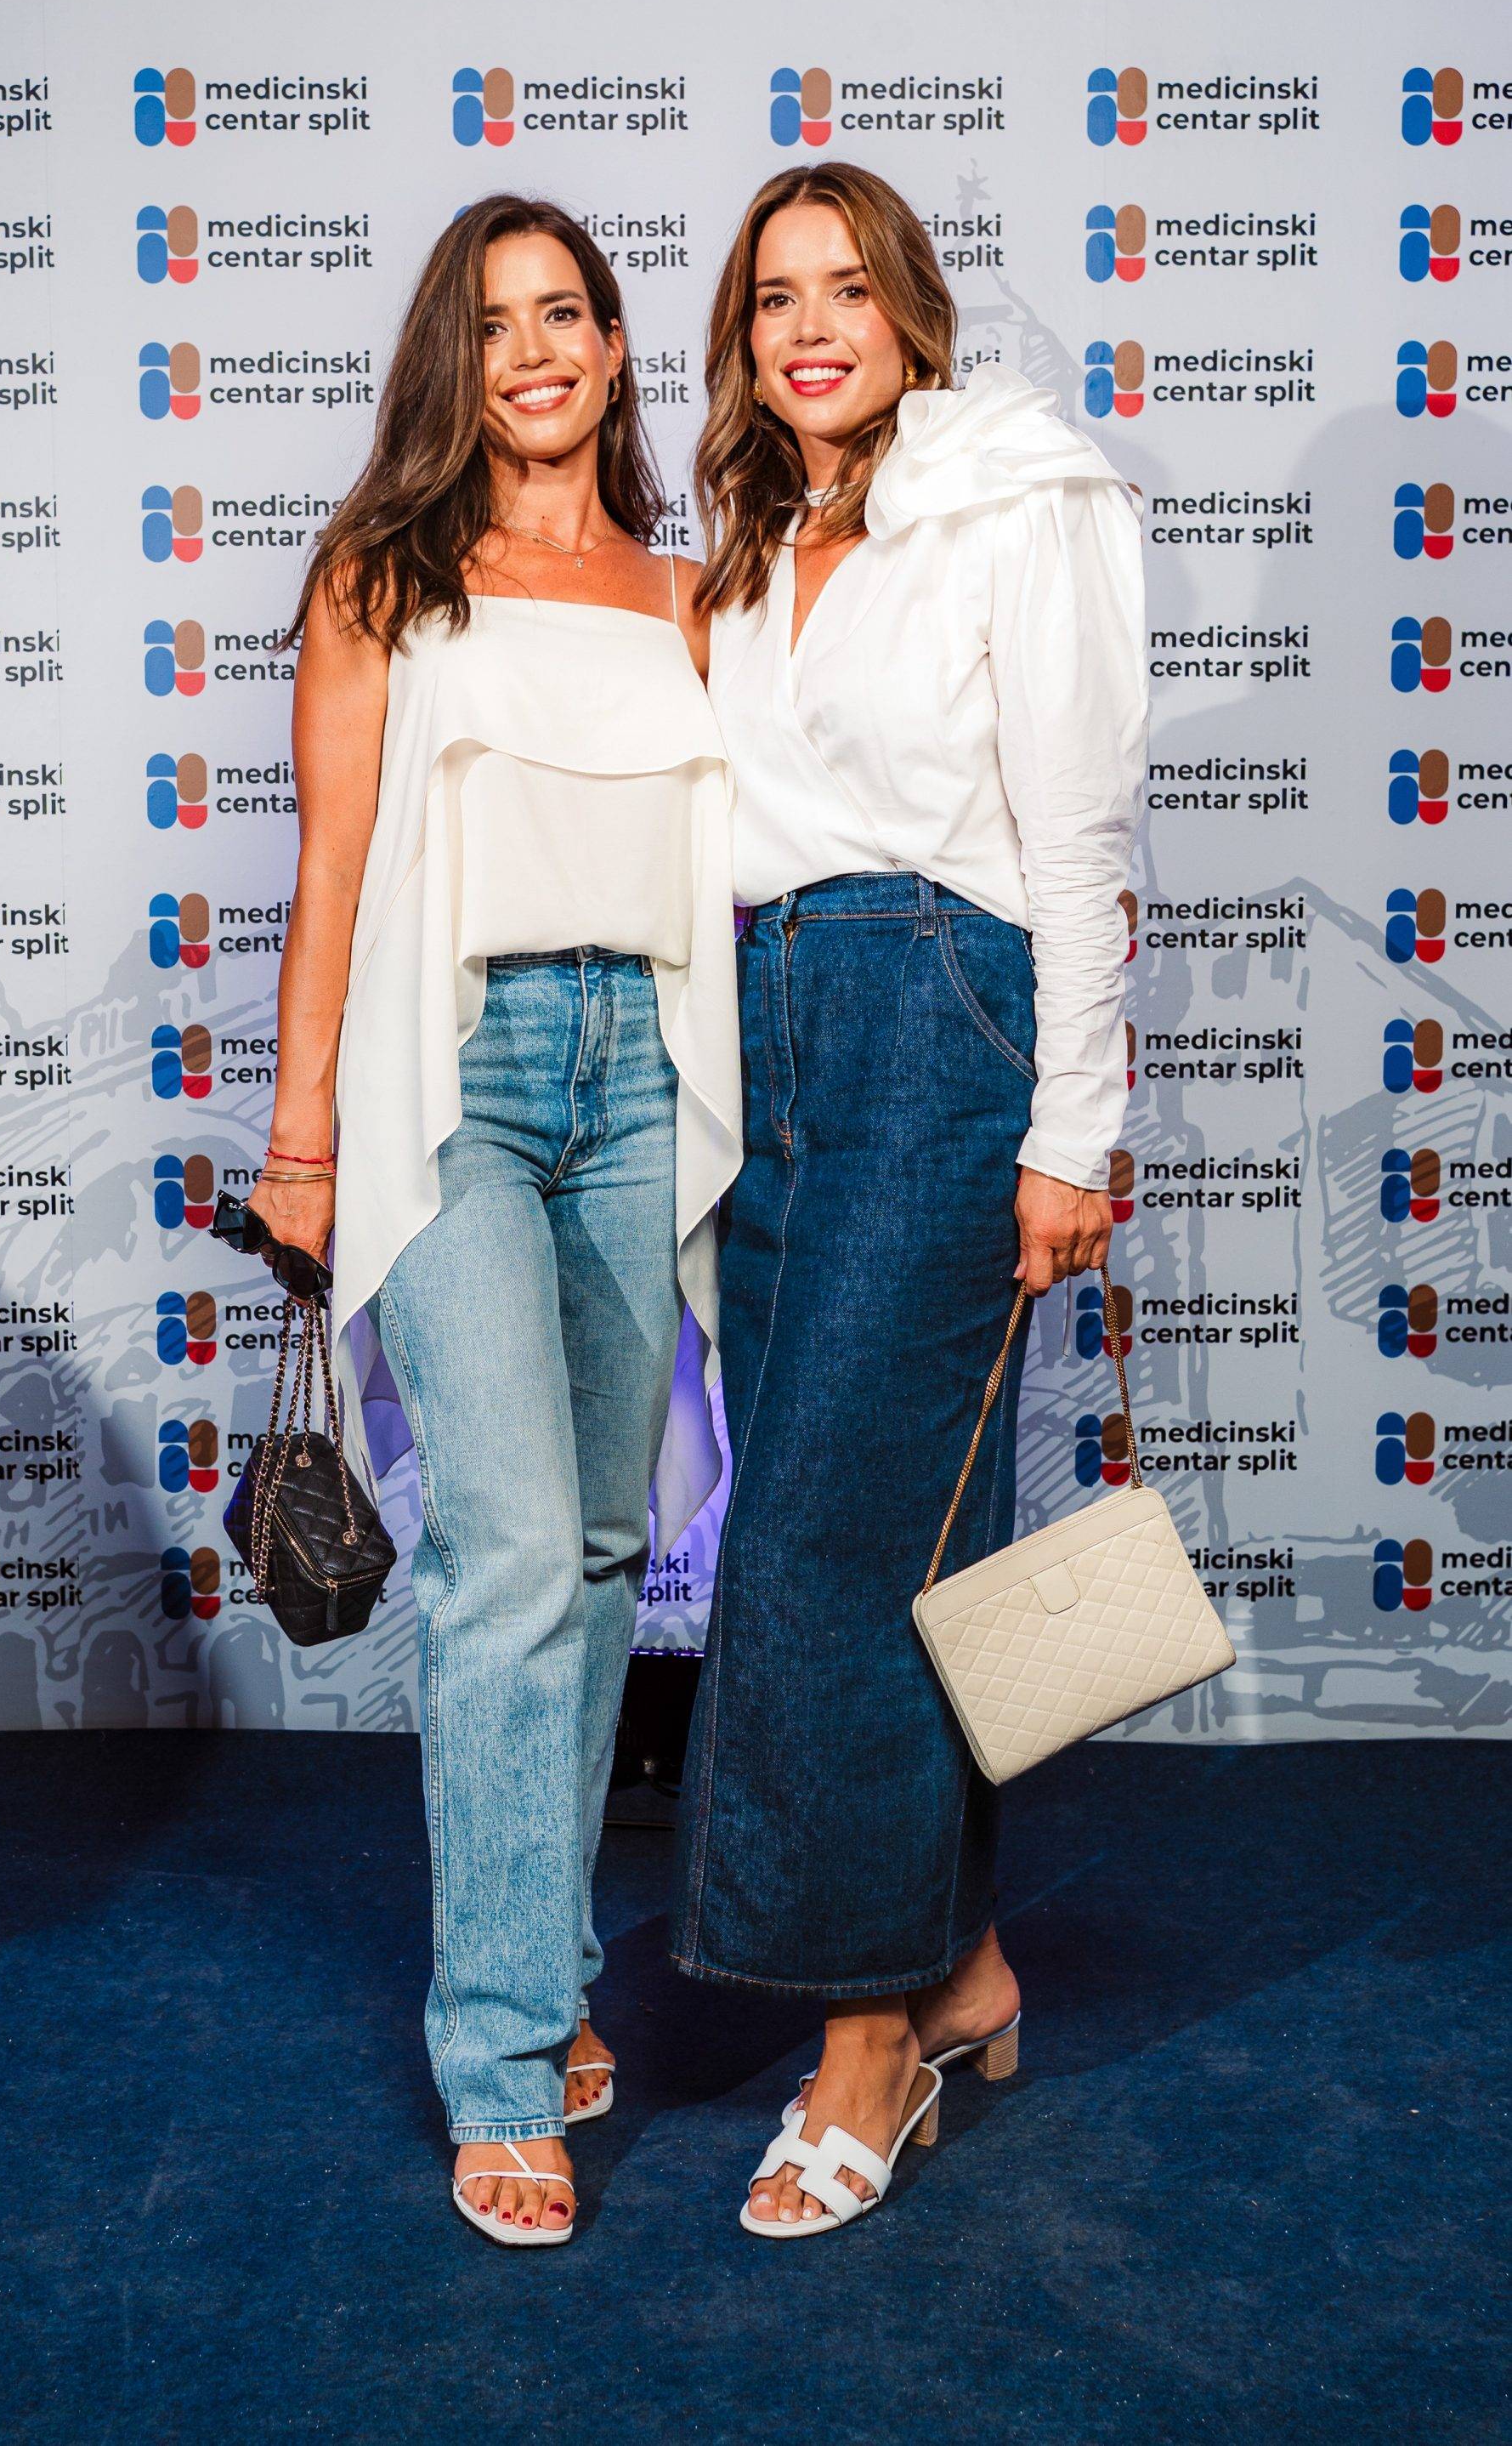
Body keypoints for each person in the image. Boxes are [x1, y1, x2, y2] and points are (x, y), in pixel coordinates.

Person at [246, 195, 740, 2247]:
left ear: (617, 350)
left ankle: (543, 1957)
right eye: (496, 321)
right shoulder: (385, 575)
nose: (534, 350)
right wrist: (298, 1142)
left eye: (566, 314)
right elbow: (334, 865)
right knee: (515, 1549)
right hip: (456, 1076)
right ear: (456, 362)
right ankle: (503, 2056)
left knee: (610, 1549)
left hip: (647, 1077)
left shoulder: (695, 596)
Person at [671, 162, 1147, 2238]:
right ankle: (963, 1974)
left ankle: (868, 2041)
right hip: (767, 1035)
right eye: (775, 295)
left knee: (823, 1555)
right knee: (884, 1530)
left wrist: (1074, 1128)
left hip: (945, 1019)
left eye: (847, 286)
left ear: (912, 314)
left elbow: (1081, 836)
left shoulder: (1013, 496)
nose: (810, 326)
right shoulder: (749, 544)